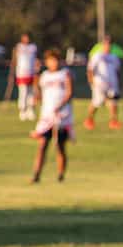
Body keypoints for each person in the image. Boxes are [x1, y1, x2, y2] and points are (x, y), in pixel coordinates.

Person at [29, 48, 74, 183]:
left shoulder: (64, 74)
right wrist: (36, 97)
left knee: (60, 146)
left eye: (54, 60)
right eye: (49, 61)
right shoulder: (44, 76)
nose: (52, 63)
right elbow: (39, 93)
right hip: (47, 116)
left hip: (62, 116)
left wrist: (60, 106)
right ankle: (36, 174)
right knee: (42, 144)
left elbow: (69, 92)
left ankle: (61, 175)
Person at [84, 35, 122, 130]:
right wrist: (91, 81)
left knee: (113, 101)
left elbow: (117, 71)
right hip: (99, 83)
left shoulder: (114, 57)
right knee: (97, 102)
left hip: (112, 83)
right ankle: (89, 119)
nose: (107, 46)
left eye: (109, 44)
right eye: (105, 44)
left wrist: (119, 82)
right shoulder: (97, 56)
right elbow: (90, 70)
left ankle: (113, 121)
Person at [12, 33, 39, 121]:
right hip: (21, 73)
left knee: (31, 92)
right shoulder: (19, 47)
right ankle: (22, 111)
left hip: (31, 73)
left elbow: (36, 59)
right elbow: (14, 59)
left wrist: (36, 70)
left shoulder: (33, 47)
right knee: (23, 92)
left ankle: (30, 110)